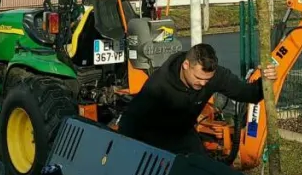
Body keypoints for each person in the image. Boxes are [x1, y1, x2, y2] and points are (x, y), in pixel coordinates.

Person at [117, 42, 277, 155]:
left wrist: (264, 82)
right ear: (186, 65)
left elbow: (248, 94)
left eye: (207, 80)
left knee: (202, 170)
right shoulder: (159, 86)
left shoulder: (215, 76)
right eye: (198, 77)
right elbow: (131, 120)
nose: (202, 83)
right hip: (153, 138)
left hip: (184, 133)